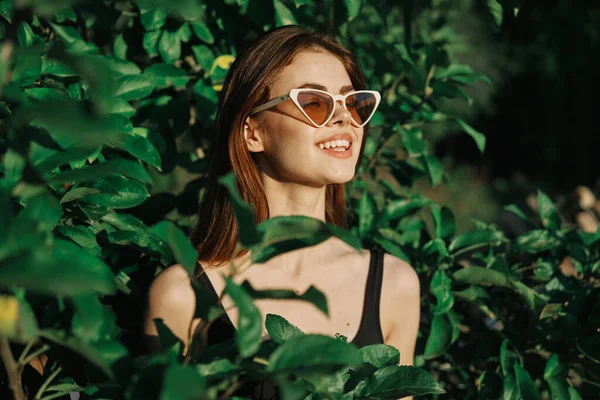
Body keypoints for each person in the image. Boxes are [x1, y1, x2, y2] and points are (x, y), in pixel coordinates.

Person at [144, 25, 421, 399]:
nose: (344, 119)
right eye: (314, 103)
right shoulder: (182, 296)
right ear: (252, 132)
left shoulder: (394, 285)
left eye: (352, 103)